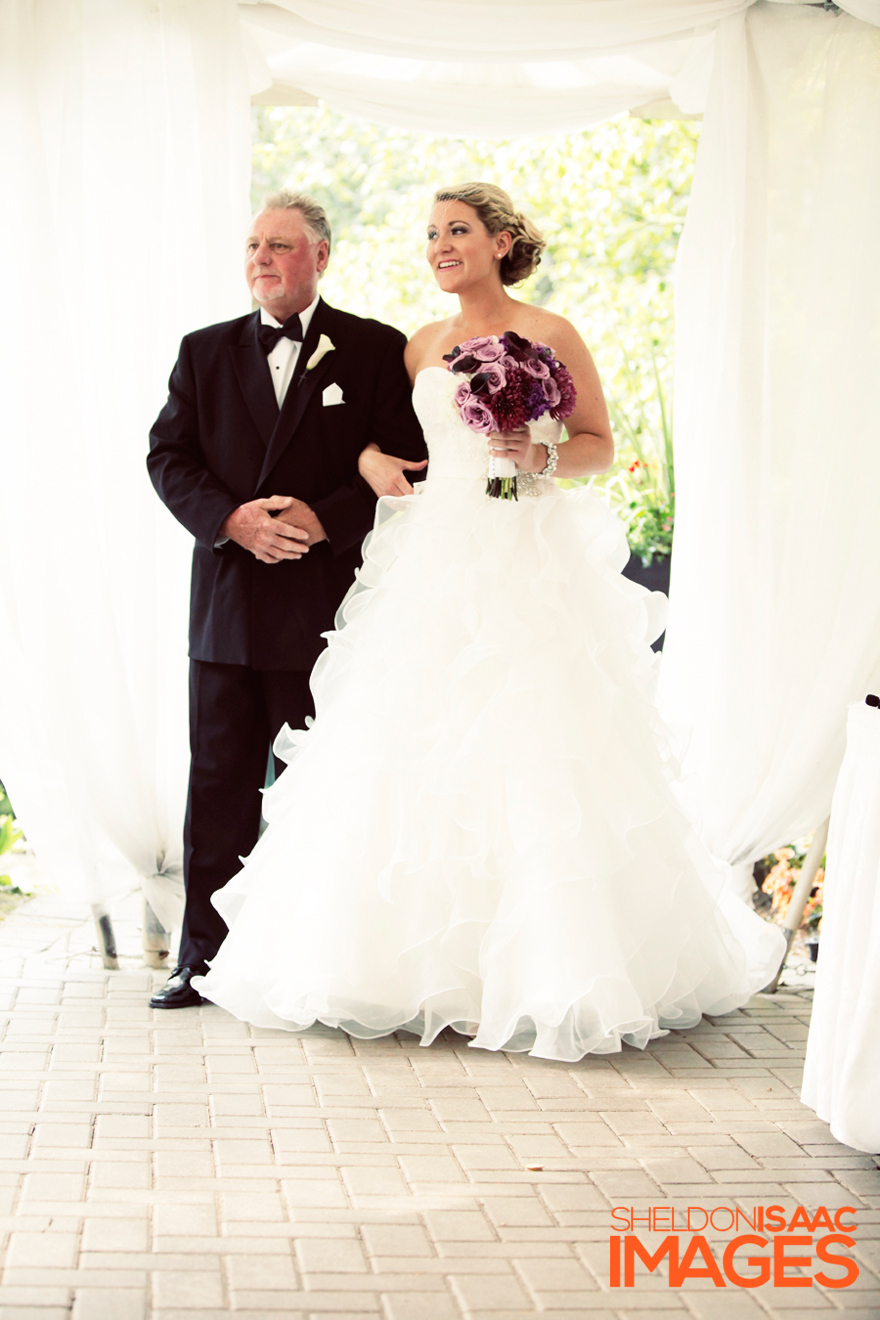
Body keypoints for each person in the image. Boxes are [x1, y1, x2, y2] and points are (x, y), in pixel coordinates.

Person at [195, 183, 785, 1058]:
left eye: (457, 231)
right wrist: (364, 456)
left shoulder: (551, 334)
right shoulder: (418, 345)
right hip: (433, 554)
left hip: (526, 549)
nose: (440, 245)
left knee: (533, 745)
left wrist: (535, 452)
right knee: (416, 749)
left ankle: (543, 969)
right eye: (431, 233)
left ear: (502, 241)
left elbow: (599, 445)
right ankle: (412, 968)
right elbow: (376, 439)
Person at [147, 190, 427, 1008]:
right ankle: (201, 959)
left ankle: (317, 962)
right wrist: (232, 520)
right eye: (253, 246)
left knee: (324, 789)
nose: (262, 258)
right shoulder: (202, 352)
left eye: (280, 245)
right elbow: (169, 458)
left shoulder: (376, 350)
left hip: (330, 610)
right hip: (229, 607)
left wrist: (325, 517)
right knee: (221, 786)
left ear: (321, 257)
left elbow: (404, 458)